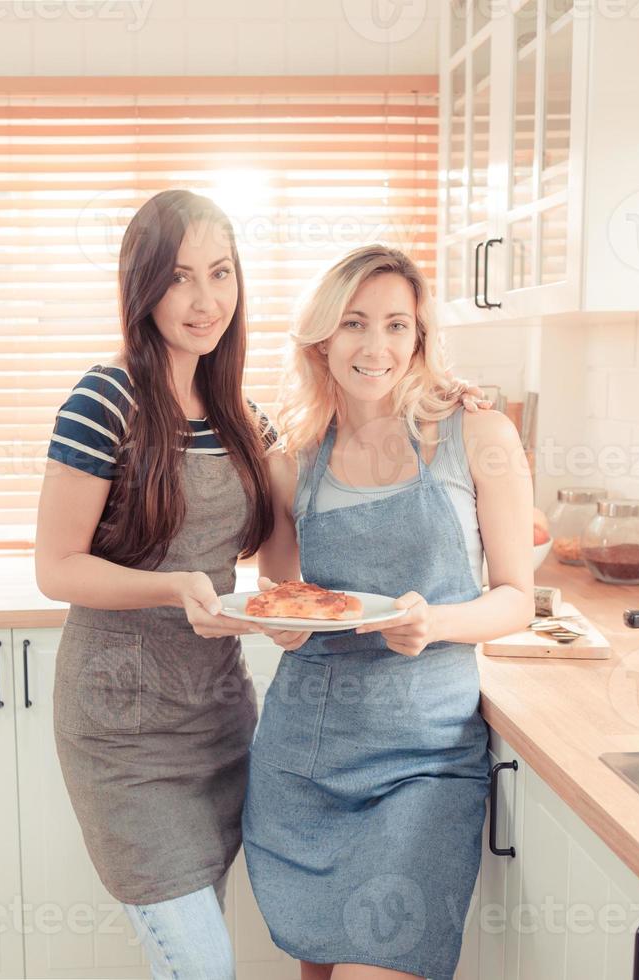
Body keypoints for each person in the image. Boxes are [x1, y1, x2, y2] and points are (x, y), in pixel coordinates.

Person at [243, 245, 536, 980]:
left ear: (420, 337)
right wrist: (277, 620)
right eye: (354, 324)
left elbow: (515, 599)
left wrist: (435, 621)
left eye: (397, 326)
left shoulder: (480, 436)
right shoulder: (293, 460)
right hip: (304, 759)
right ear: (321, 337)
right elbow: (283, 597)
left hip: (424, 762)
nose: (376, 347)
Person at [34, 189, 275, 979]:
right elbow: (56, 567)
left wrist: (441, 403)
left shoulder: (246, 417)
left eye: (220, 273)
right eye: (178, 278)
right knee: (203, 969)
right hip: (123, 729)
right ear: (143, 287)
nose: (205, 301)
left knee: (200, 957)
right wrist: (175, 588)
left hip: (217, 719)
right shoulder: (104, 401)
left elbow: (281, 564)